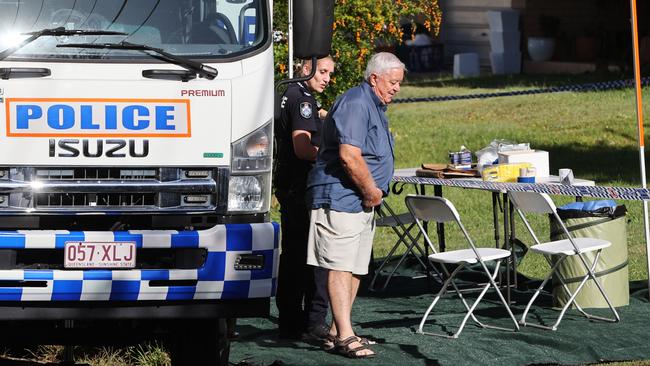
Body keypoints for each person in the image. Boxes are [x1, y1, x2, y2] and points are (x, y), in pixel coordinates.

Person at [305, 52, 405, 359]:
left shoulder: (374, 105)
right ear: (374, 78)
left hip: (361, 200)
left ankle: (338, 332)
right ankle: (345, 336)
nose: (397, 88)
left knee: (356, 267)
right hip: (342, 197)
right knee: (340, 265)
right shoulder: (357, 103)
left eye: (399, 83)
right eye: (393, 82)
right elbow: (349, 155)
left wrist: (372, 193)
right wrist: (371, 191)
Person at [274, 56, 335, 340]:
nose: (327, 78)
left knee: (293, 255)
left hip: (289, 184)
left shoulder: (291, 93)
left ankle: (289, 318)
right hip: (303, 186)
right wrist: (331, 156)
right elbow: (302, 146)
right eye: (322, 72)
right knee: (312, 256)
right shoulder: (303, 99)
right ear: (304, 67)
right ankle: (312, 322)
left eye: (329, 73)